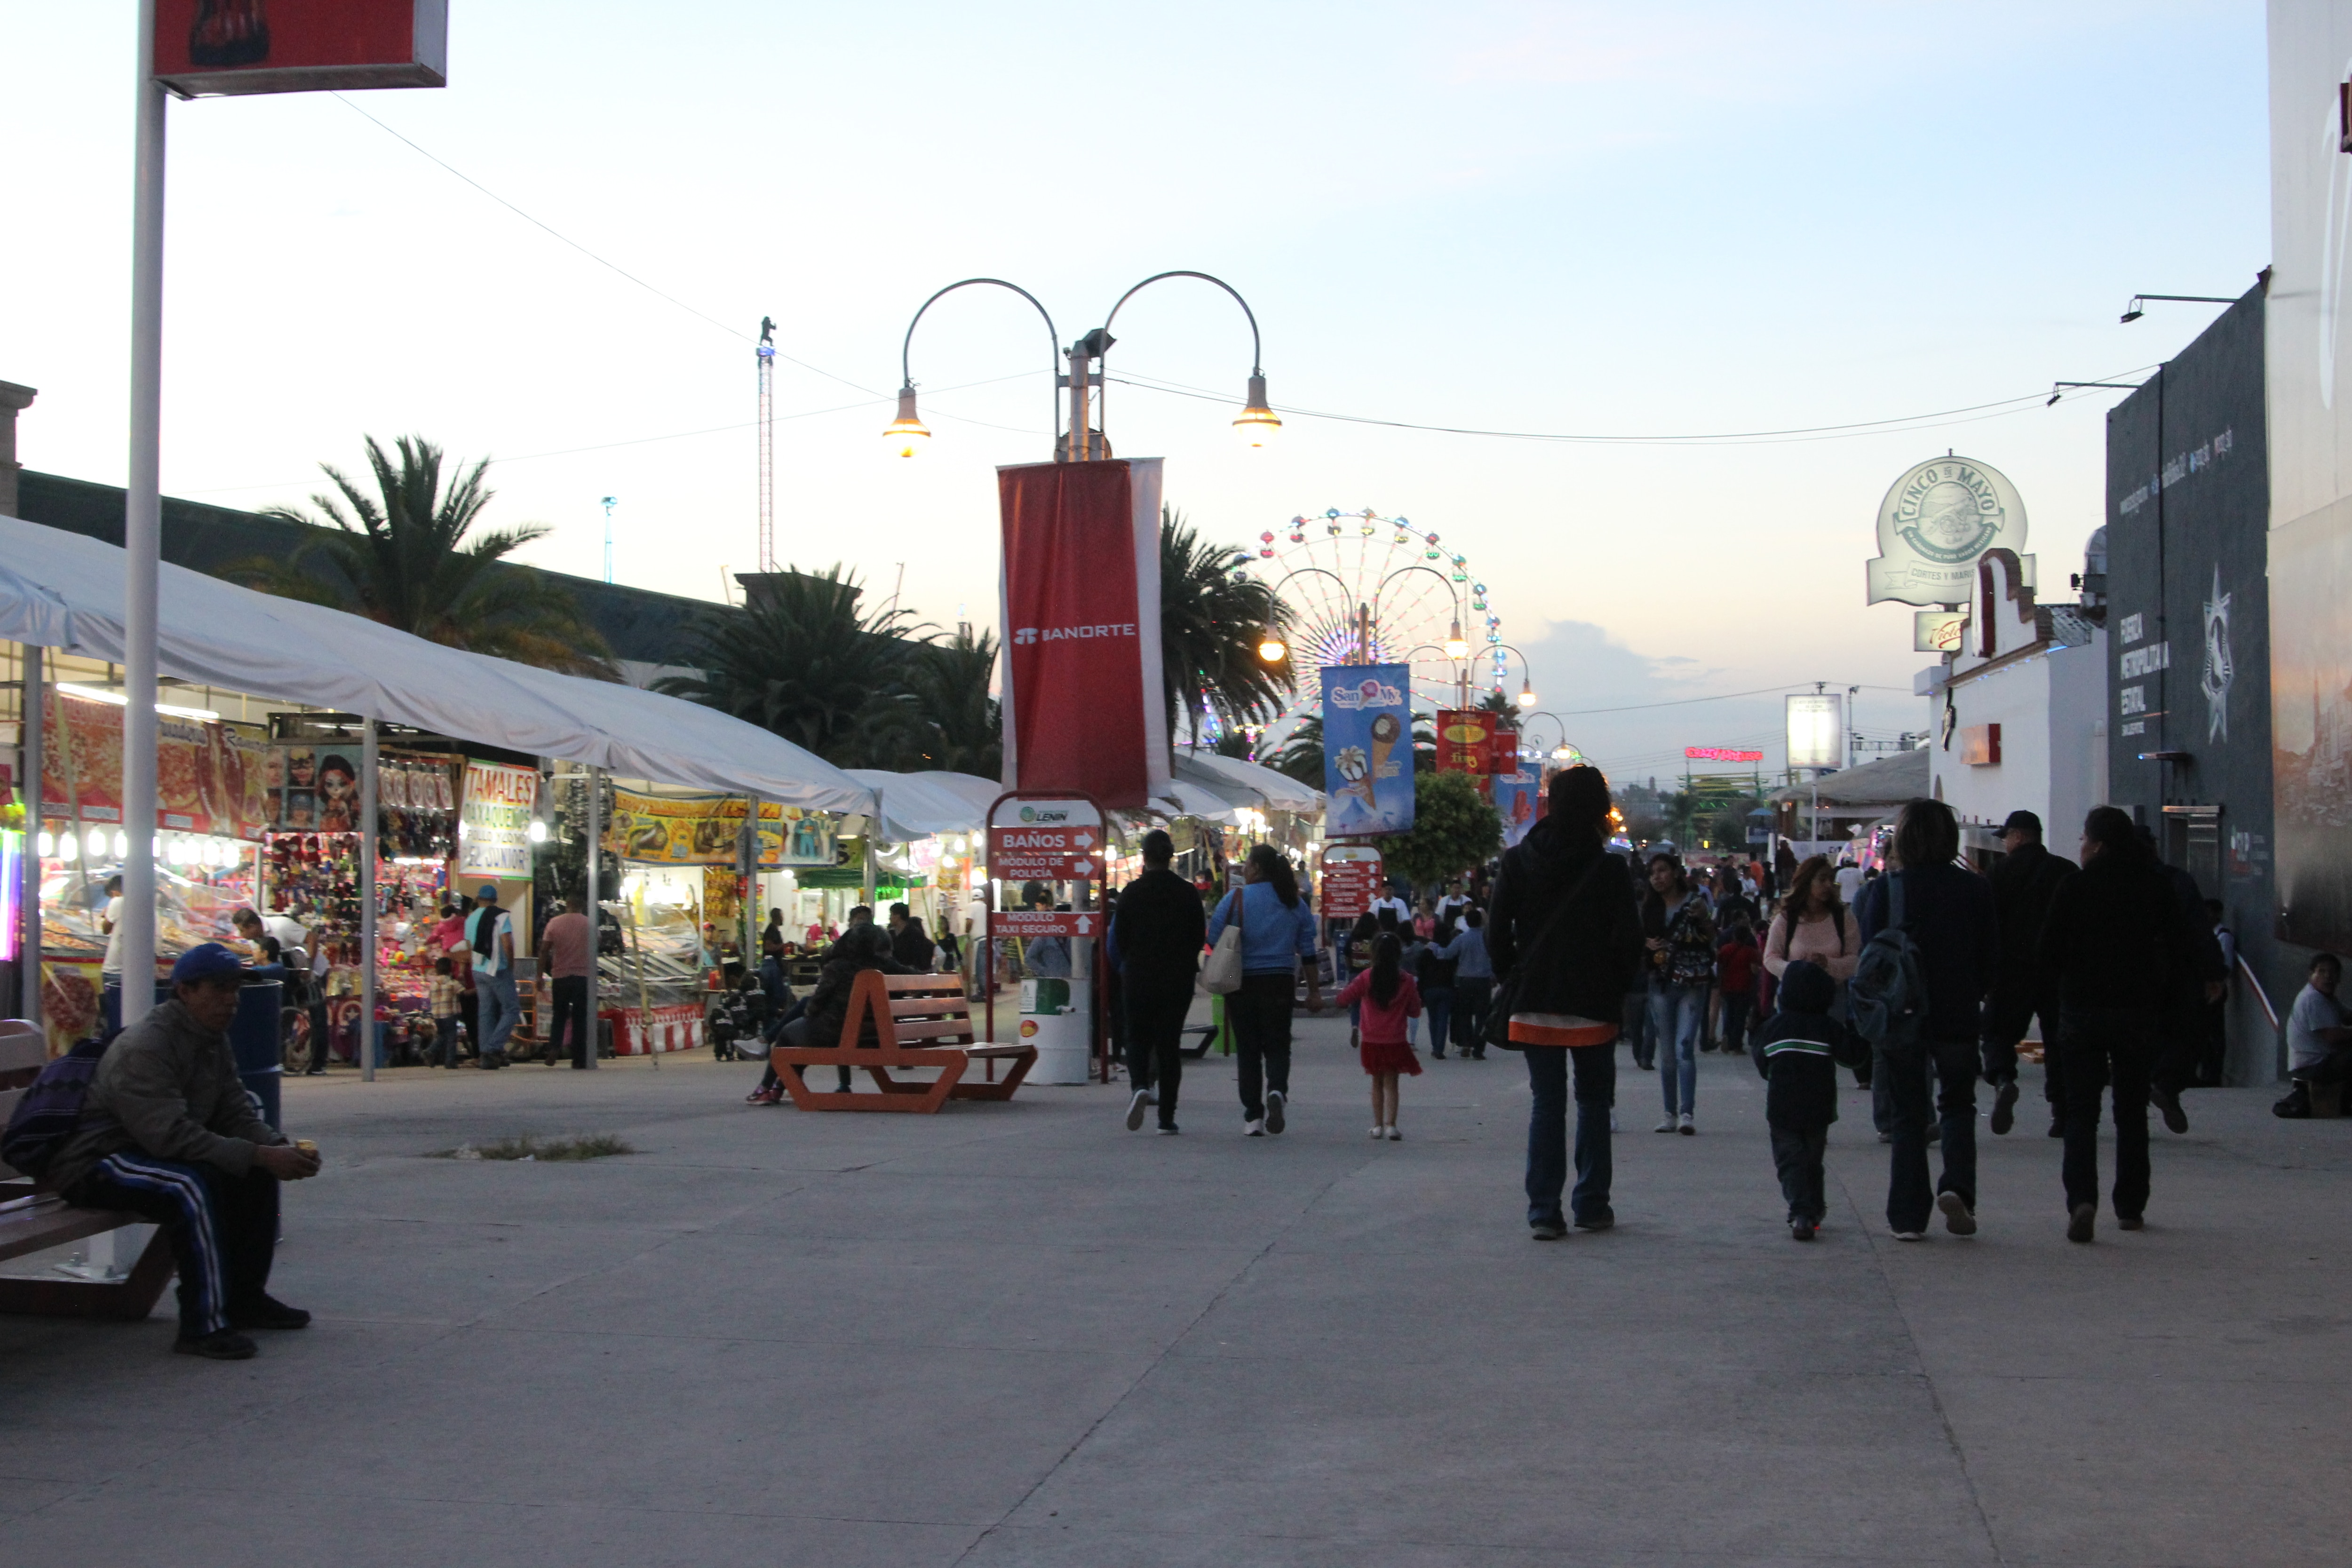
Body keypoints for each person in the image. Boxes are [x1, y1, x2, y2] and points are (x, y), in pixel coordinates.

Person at [48, 943, 321, 1360]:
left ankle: (244, 1299)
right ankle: (202, 1325)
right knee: (190, 1186)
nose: (231, 1000)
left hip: (146, 1149)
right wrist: (259, 1154)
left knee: (251, 1171)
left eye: (235, 989)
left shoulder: (212, 1039)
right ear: (185, 991)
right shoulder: (148, 1045)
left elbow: (234, 1111)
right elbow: (170, 1138)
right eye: (219, 989)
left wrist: (275, 1146)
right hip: (98, 1158)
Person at [1488, 766, 1644, 1239]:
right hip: (1593, 1004)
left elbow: (1495, 934)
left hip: (1534, 1001)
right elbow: (1629, 942)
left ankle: (1543, 1211)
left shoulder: (1516, 863)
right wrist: (1614, 991)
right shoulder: (1610, 868)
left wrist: (1514, 979)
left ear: (1549, 804)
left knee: (1546, 1103)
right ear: (1597, 809)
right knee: (1594, 1102)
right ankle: (1592, 1204)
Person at [2037, 807, 2205, 1241]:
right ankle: (2130, 1206)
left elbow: (2049, 950)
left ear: (2097, 844)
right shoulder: (2154, 887)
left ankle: (2082, 1200)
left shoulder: (2074, 886)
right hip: (2136, 1014)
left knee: (2081, 1114)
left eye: (2084, 838)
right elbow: (2179, 947)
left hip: (2081, 1011)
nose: (2081, 846)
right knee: (2131, 1112)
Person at [1853, 799, 1997, 1242]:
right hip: (1957, 1013)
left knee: (1908, 1113)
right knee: (1957, 1103)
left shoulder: (1887, 890)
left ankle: (1908, 1216)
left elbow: (1870, 957)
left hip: (1902, 1014)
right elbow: (1990, 957)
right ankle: (1958, 1188)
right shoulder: (1975, 889)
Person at [1205, 844, 1322, 1136]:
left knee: (1248, 1050)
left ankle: (1253, 1117)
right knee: (1278, 1045)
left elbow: (1213, 940)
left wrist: (1213, 964)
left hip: (1241, 983)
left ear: (1256, 868)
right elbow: (1308, 952)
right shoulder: (1294, 902)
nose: (1243, 869)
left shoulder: (1235, 899)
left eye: (1247, 864)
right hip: (1280, 982)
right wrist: (1315, 992)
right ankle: (1278, 1092)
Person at [1748, 959, 1861, 1241]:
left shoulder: (1774, 1027)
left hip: (1782, 1108)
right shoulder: (1827, 1027)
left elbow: (1762, 1063)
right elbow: (1853, 1057)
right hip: (1819, 1108)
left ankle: (1801, 1211)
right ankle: (1814, 1208)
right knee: (1812, 1159)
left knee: (1790, 1160)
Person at [1981, 810, 2076, 1140]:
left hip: (2011, 973)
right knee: (2059, 1042)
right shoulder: (2065, 872)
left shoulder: (1998, 874)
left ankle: (2004, 1078)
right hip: (2058, 973)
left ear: (2018, 836)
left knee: (1997, 1033)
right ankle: (2062, 1114)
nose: (2005, 843)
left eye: (2007, 837)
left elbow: (1989, 928)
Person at [1112, 829, 1207, 1134]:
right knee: (1169, 1045)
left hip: (1139, 975)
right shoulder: (1188, 892)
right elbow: (1198, 937)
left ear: (1144, 857)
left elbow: (1119, 939)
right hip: (1177, 979)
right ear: (1171, 857)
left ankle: (1140, 1085)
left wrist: (1128, 965)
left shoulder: (1131, 892)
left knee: (1137, 1036)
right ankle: (1167, 1118)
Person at [1642, 852, 1716, 1134]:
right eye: (1653, 873)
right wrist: (1646, 944)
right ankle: (1669, 1112)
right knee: (1668, 1052)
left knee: (1685, 1047)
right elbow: (1640, 938)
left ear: (1675, 872)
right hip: (1660, 983)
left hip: (1692, 983)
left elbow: (1712, 937)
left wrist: (1705, 918)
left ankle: (1687, 1112)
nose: (1657, 877)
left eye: (1662, 871)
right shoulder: (1650, 907)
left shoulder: (1695, 902)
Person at [1336, 931, 1422, 1139]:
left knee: (1376, 1081)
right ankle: (1391, 1125)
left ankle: (1377, 1126)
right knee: (1392, 1082)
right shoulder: (1407, 980)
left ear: (1374, 953)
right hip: (1396, 1039)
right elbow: (1415, 1011)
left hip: (1372, 1039)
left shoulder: (1366, 977)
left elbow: (1344, 999)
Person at [2275, 953, 2352, 1117]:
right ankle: (2346, 1103)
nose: (2328, 977)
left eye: (2332, 972)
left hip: (2320, 1062)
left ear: (2339, 978)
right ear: (2311, 975)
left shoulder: (2328, 999)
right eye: (2322, 972)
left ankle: (2345, 1102)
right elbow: (2332, 1036)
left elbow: (2347, 1017)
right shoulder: (2313, 999)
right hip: (2311, 1068)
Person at [465, 883, 518, 1069]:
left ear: (479, 899)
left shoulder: (470, 919)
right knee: (512, 1010)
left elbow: (469, 946)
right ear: (495, 900)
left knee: (486, 1012)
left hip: (478, 969)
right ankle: (493, 1048)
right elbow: (507, 942)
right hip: (498, 969)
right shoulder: (501, 916)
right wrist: (511, 964)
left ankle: (484, 1055)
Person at [541, 892, 594, 1068]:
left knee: (560, 1014)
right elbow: (597, 946)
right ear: (581, 907)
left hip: (560, 976)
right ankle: (579, 1057)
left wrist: (539, 975)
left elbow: (544, 950)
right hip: (582, 976)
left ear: (567, 905)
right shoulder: (589, 923)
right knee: (580, 1017)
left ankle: (554, 1047)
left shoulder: (554, 923)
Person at [1435, 907, 1494, 1060]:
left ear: (1467, 922)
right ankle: (1479, 1049)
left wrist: (1434, 947)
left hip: (1465, 981)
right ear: (1481, 921)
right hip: (1484, 980)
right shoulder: (1488, 939)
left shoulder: (1462, 939)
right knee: (1482, 1016)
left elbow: (1446, 954)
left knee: (1465, 1014)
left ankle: (1467, 1042)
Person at [1716, 915, 1762, 1058]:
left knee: (1729, 1013)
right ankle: (1737, 1045)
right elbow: (1755, 969)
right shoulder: (1751, 952)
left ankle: (1726, 1035)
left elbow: (1720, 965)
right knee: (1740, 1017)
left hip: (1727, 986)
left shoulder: (1725, 949)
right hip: (1744, 987)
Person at [1417, 913, 1458, 1059]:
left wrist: (1420, 991)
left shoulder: (1428, 951)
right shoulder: (1451, 950)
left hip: (1430, 988)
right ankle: (1439, 1048)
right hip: (1447, 988)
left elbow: (1420, 971)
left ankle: (1435, 1045)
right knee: (1443, 1019)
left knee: (1433, 1019)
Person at [427, 955, 464, 1067]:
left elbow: (430, 997)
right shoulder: (453, 983)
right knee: (452, 1037)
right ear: (450, 969)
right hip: (450, 1014)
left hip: (437, 1015)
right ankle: (450, 1061)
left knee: (443, 1036)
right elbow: (463, 993)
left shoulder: (433, 985)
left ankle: (430, 1051)